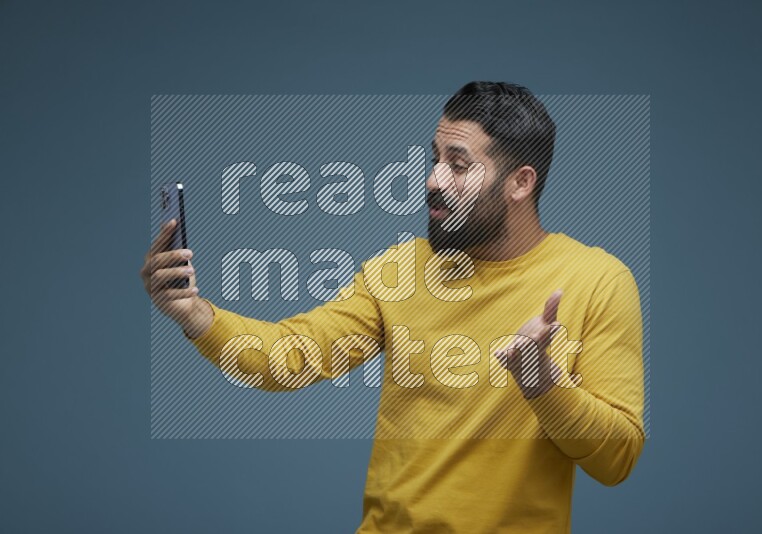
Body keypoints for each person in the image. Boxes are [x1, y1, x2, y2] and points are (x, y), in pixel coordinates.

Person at [141, 81, 646, 533]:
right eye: (434, 159)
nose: (433, 179)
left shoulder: (597, 281)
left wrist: (541, 382)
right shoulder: (399, 271)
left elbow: (616, 458)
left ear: (520, 182)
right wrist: (194, 313)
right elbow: (291, 356)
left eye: (459, 164)